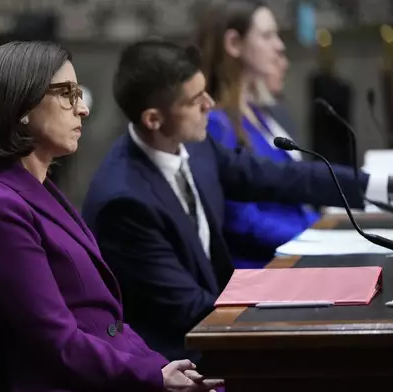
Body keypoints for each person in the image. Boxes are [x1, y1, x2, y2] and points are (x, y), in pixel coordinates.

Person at [81, 39, 393, 362]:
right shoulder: (125, 203)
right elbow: (187, 309)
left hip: (219, 324)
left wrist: (382, 186)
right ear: (153, 120)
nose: (210, 104)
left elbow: (280, 178)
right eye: (195, 100)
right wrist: (296, 296)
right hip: (179, 357)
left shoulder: (197, 146)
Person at [0, 40, 224, 392]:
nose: (83, 109)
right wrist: (153, 377)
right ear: (20, 104)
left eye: (78, 93)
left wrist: (161, 369)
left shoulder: (38, 189)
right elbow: (56, 343)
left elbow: (106, 321)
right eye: (67, 93)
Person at [196, 0, 319, 268]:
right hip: (263, 268)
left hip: (295, 254)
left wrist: (327, 229)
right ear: (233, 44)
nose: (280, 45)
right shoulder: (215, 123)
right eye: (267, 35)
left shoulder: (257, 113)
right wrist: (316, 237)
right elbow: (241, 220)